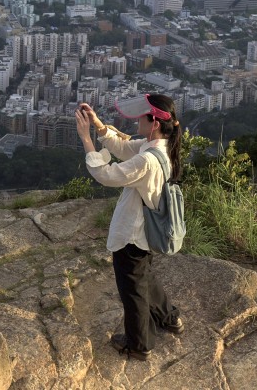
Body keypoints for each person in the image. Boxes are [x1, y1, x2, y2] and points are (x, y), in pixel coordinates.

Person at [74, 93, 184, 361]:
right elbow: (124, 148)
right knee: (143, 276)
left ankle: (140, 344)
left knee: (132, 290)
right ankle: (169, 318)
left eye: (141, 117)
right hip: (145, 231)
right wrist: (99, 126)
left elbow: (107, 175)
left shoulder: (147, 160)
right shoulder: (159, 147)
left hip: (133, 233)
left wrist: (86, 139)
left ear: (154, 123)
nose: (137, 122)